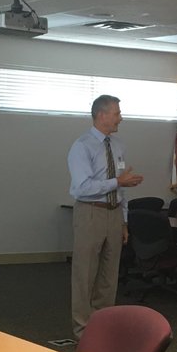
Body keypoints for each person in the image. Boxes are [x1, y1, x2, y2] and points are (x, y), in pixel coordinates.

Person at [67, 94, 143, 339]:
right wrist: (117, 181)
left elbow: (120, 187)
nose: (121, 118)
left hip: (113, 214)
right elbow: (82, 188)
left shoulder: (118, 145)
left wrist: (124, 220)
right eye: (117, 113)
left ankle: (101, 327)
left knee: (109, 275)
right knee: (85, 274)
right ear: (101, 115)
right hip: (91, 213)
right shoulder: (82, 146)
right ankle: (82, 330)